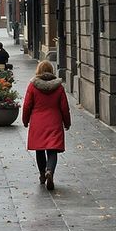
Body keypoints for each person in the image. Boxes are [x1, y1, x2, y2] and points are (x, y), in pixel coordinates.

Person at [23, 59, 70, 190]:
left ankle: (42, 174)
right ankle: (50, 171)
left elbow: (27, 106)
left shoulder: (32, 86)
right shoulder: (59, 87)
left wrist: (25, 120)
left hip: (38, 122)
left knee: (40, 149)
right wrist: (67, 122)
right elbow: (64, 107)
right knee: (52, 149)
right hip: (54, 121)